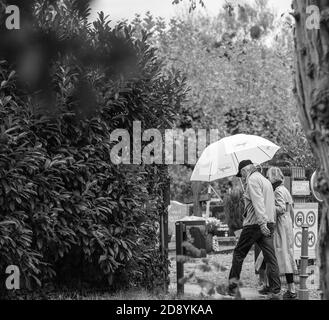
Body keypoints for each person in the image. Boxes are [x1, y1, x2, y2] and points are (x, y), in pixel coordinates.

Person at [228, 160, 281, 299]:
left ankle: (232, 288)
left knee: (238, 253)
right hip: (269, 222)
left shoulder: (252, 180)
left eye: (242, 175)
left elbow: (258, 202)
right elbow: (265, 202)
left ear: (245, 170)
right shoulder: (265, 181)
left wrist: (262, 223)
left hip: (255, 224)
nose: (242, 177)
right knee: (270, 257)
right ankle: (275, 289)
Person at [266, 166, 298, 300]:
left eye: (268, 177)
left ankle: (291, 290)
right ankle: (287, 288)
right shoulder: (284, 189)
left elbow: (281, 208)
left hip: (281, 224)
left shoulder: (278, 190)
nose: (267, 179)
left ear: (273, 177)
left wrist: (268, 206)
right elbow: (291, 209)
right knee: (286, 254)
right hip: (287, 224)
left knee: (283, 255)